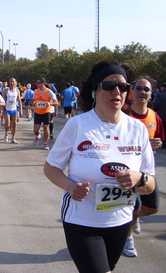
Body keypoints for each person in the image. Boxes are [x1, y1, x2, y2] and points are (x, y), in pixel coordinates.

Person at [44, 61, 155, 273]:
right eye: (109, 86)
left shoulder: (137, 129)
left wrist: (139, 178)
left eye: (122, 87)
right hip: (81, 221)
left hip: (121, 221)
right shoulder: (77, 125)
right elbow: (51, 168)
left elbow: (150, 184)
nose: (116, 91)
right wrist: (70, 186)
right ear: (96, 90)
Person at [122, 78, 164, 257]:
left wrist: (158, 143)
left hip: (147, 170)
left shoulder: (154, 116)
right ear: (132, 91)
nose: (142, 92)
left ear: (151, 92)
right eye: (138, 88)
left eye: (145, 89)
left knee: (153, 208)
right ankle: (127, 238)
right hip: (127, 169)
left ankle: (133, 219)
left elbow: (160, 140)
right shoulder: (123, 115)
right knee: (133, 205)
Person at [31, 77, 58, 150]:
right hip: (37, 112)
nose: (37, 84)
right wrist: (32, 103)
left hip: (46, 112)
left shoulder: (49, 92)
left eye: (38, 83)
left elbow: (56, 102)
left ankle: (45, 143)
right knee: (35, 130)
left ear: (43, 83)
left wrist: (49, 103)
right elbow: (33, 100)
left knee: (46, 127)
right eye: (37, 82)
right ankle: (38, 136)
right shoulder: (36, 91)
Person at [3, 78, 23, 144]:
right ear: (9, 83)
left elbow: (19, 101)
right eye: (11, 81)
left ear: (16, 83)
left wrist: (21, 110)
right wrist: (1, 108)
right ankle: (6, 134)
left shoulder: (17, 91)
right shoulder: (6, 90)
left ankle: (13, 138)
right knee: (8, 124)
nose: (12, 83)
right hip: (7, 109)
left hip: (14, 109)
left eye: (13, 82)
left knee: (14, 124)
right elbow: (2, 99)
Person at [153, 83, 166, 148]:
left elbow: (156, 105)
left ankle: (163, 144)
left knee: (162, 130)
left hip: (162, 116)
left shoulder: (160, 95)